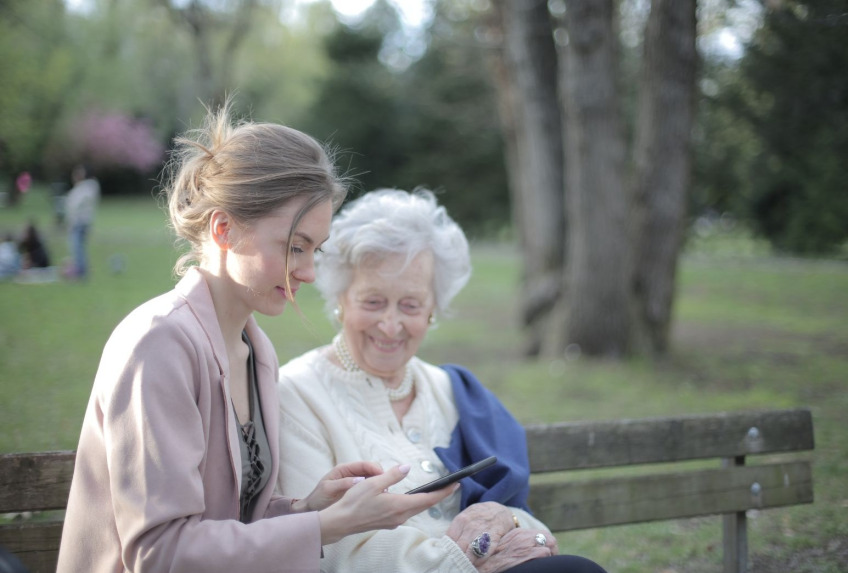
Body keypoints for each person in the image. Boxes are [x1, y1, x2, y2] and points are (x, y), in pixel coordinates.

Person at [56, 104, 455, 573]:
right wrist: (324, 528)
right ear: (224, 229)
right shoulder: (158, 344)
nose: (307, 271)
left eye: (315, 250)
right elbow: (160, 553)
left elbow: (232, 522)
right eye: (294, 247)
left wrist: (311, 508)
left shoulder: (254, 349)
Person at [276, 189, 607, 573]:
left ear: (432, 310)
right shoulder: (296, 394)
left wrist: (508, 522)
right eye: (373, 301)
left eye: (411, 305)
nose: (391, 324)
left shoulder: (454, 391)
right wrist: (462, 558)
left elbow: (527, 523)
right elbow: (330, 549)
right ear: (341, 299)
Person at [64, 164, 100, 278]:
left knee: (77, 248)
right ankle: (80, 270)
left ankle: (81, 271)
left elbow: (75, 205)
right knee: (77, 248)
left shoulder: (87, 188)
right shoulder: (82, 188)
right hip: (79, 222)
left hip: (80, 223)